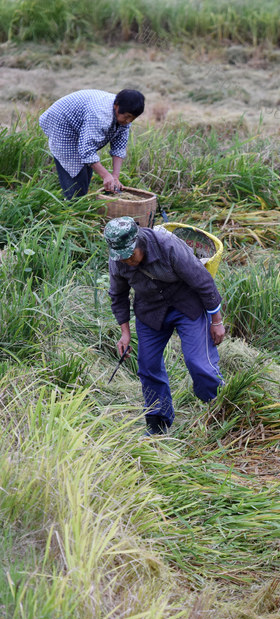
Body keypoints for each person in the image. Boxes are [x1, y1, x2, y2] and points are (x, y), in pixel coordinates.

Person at [104, 216, 225, 435]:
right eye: (122, 258)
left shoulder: (167, 246)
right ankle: (158, 422)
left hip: (186, 305)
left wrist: (216, 321)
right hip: (150, 312)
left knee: (198, 362)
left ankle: (220, 408)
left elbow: (203, 280)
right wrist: (125, 333)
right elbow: (118, 295)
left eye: (131, 255)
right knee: (148, 365)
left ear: (138, 242)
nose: (127, 261)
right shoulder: (118, 259)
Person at [39, 89, 145, 199]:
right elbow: (87, 150)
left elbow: (119, 147)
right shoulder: (101, 115)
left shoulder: (125, 116)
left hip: (81, 123)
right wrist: (105, 175)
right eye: (127, 116)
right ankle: (72, 206)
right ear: (116, 106)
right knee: (75, 173)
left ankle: (81, 199)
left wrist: (115, 176)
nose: (128, 121)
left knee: (86, 170)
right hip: (61, 123)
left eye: (132, 118)